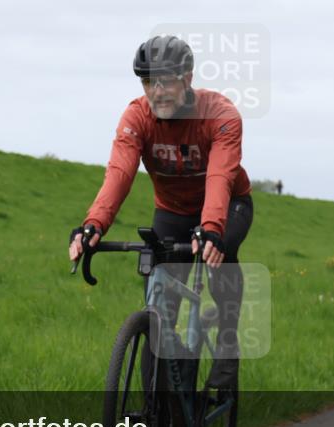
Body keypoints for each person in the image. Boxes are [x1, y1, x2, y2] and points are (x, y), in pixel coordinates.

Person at [68, 35, 253, 388]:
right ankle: (155, 419)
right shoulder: (136, 116)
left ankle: (227, 340)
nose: (157, 92)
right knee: (158, 312)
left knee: (218, 256)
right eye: (148, 82)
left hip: (228, 205)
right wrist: (93, 225)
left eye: (166, 80)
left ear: (187, 78)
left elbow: (218, 176)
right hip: (172, 211)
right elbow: (119, 174)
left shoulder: (220, 115)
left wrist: (212, 227)